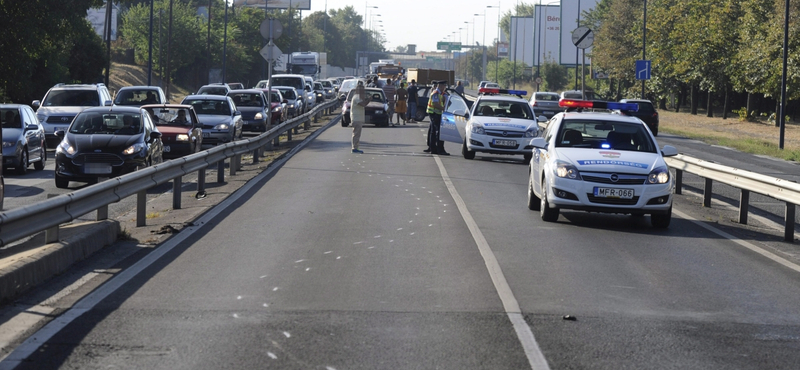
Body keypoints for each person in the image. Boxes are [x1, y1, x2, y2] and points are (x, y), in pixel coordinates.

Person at [425, 80, 449, 155]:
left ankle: (433, 148)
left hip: (436, 113)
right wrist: (443, 108)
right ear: (441, 86)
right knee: (437, 132)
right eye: (444, 86)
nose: (445, 87)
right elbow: (435, 104)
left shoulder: (441, 93)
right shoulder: (436, 93)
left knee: (433, 131)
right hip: (434, 113)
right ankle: (438, 149)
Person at [350, 81, 370, 154]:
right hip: (356, 118)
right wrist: (369, 100)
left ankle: (356, 147)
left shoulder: (358, 97)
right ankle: (354, 148)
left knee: (357, 134)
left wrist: (368, 100)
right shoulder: (357, 97)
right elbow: (363, 104)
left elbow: (364, 104)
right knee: (356, 134)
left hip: (358, 118)